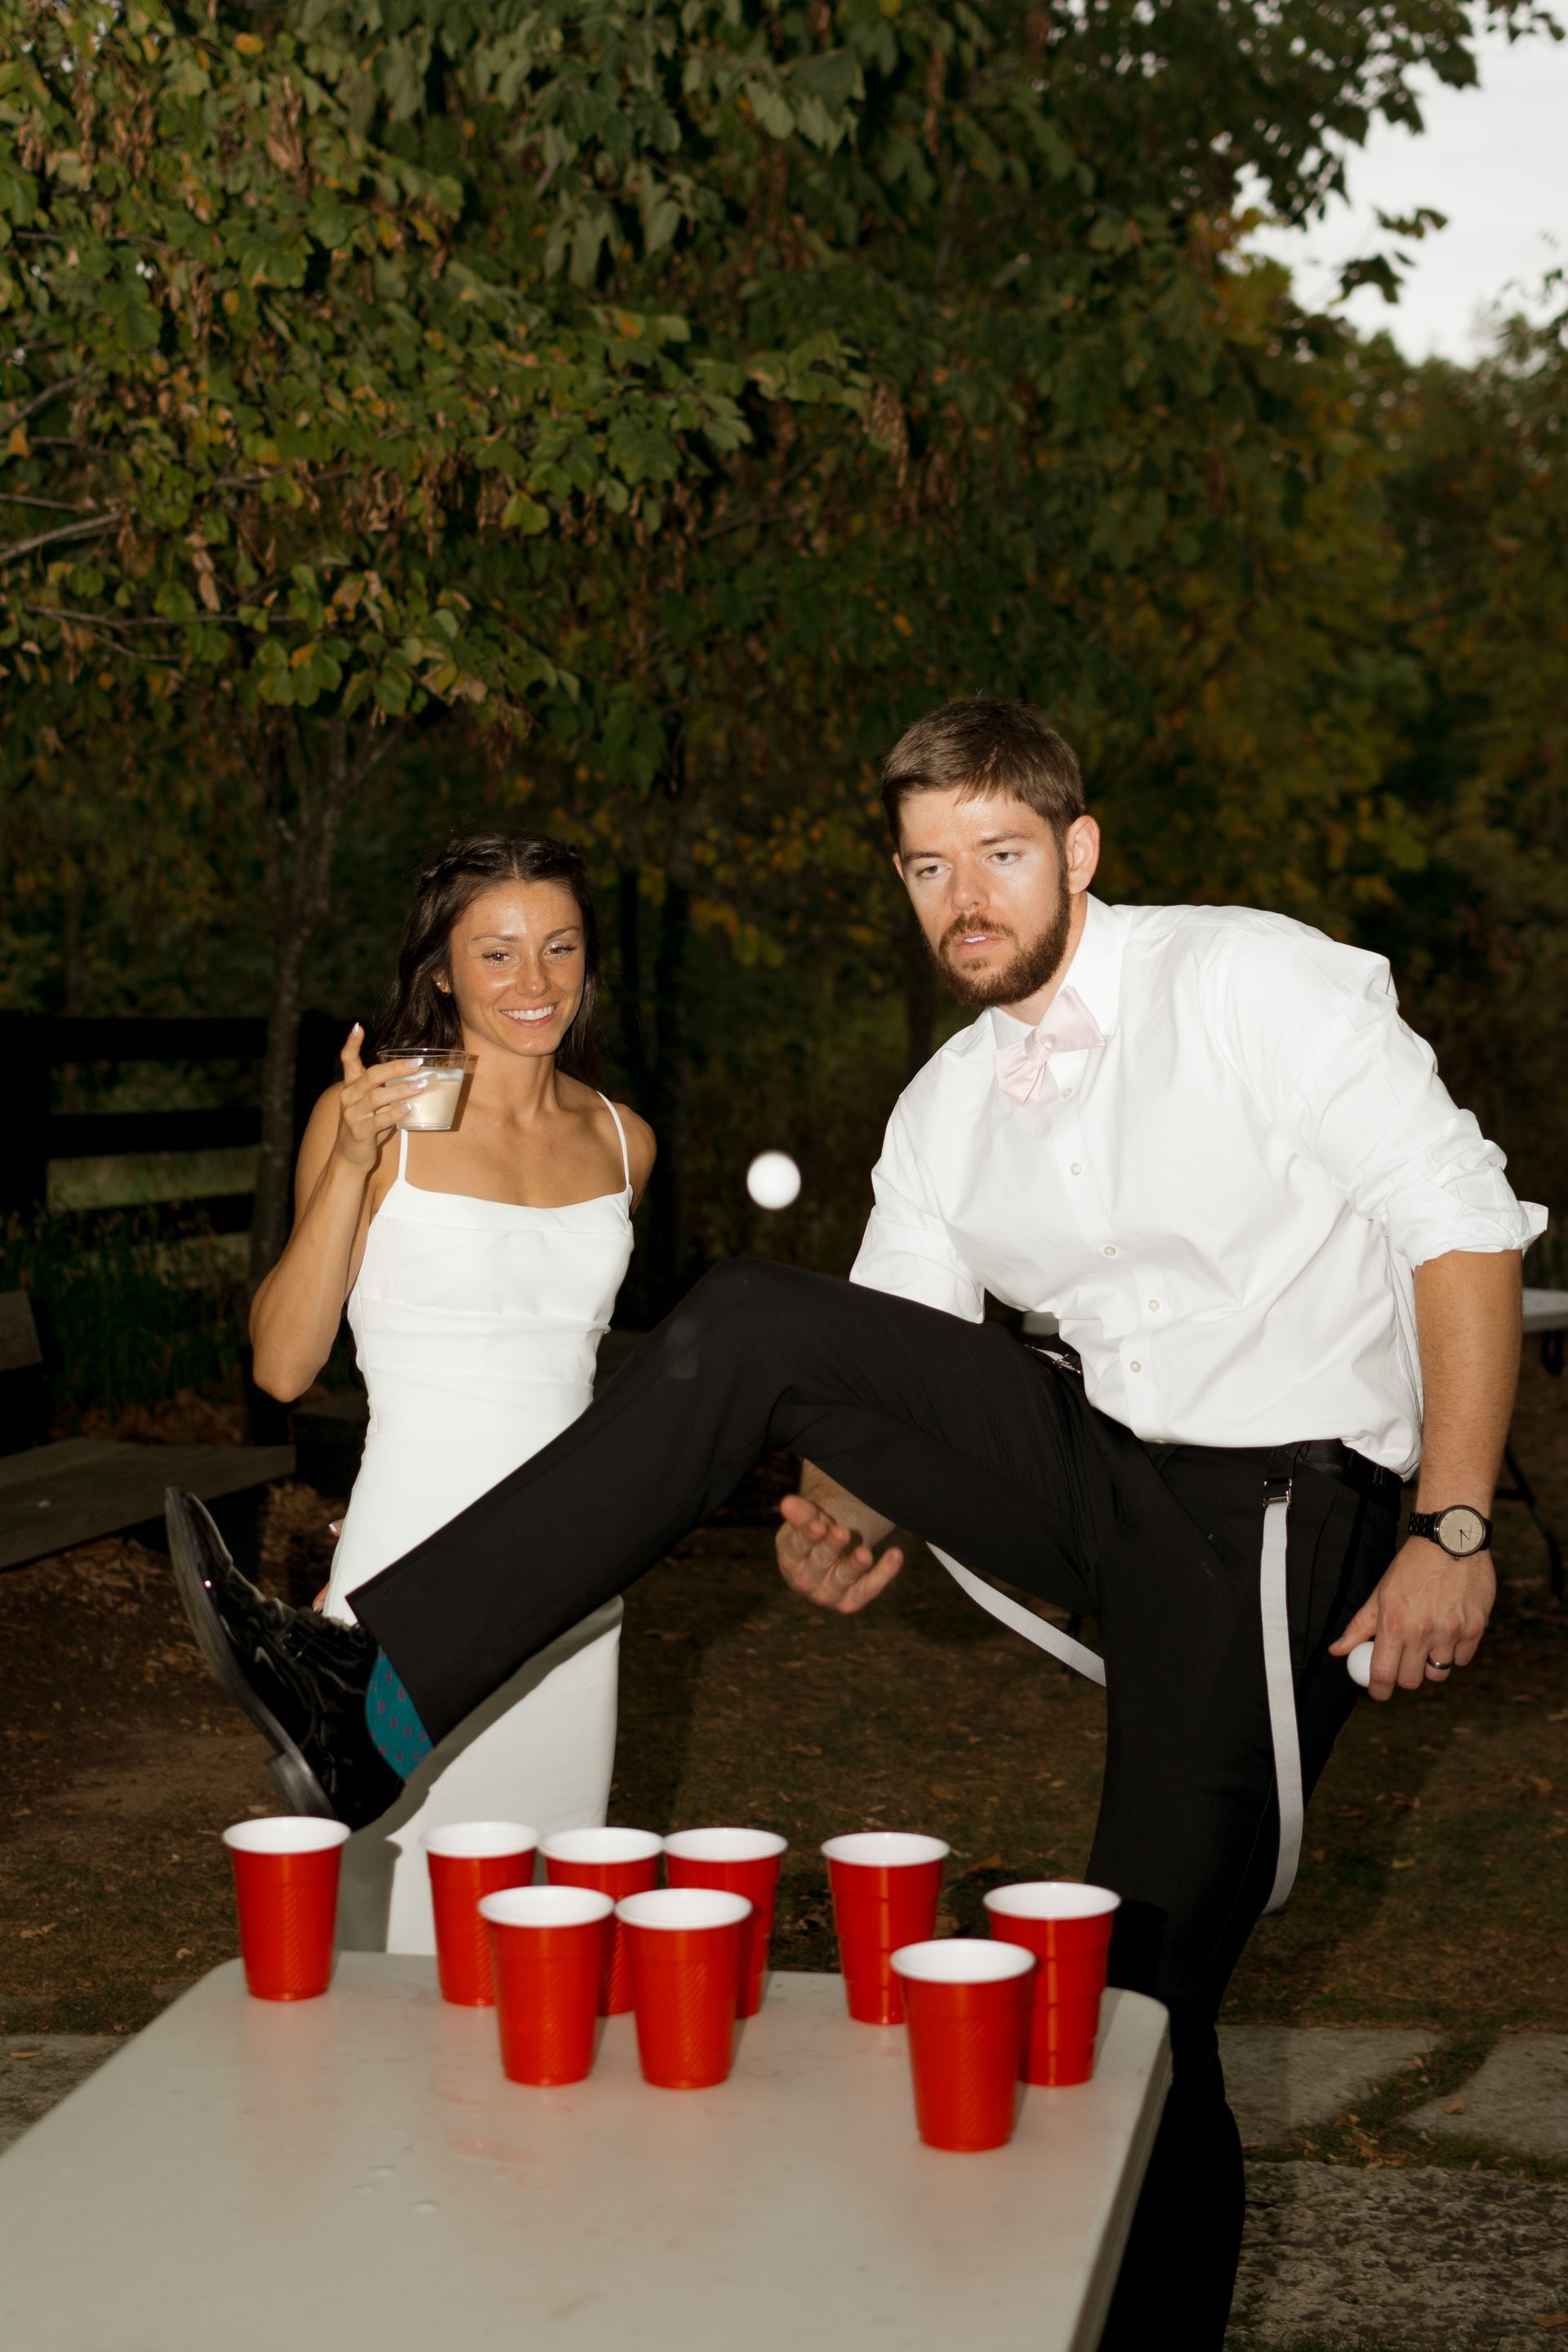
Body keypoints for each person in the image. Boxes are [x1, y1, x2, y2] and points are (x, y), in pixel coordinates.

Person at [175, 700, 1540, 2346]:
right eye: (928, 868)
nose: (966, 896)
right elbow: (883, 1368)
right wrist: (852, 1510)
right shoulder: (951, 1103)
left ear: (1077, 852)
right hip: (1105, 1466)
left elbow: (1458, 1221)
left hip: (1276, 1504)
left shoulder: (1248, 978)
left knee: (1130, 2004)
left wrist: (1453, 1525)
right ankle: (372, 1690)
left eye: (1001, 855)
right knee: (754, 1322)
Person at [236, 829, 653, 1952]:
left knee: (550, 1936)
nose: (536, 984)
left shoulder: (625, 1142)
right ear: (442, 971)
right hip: (409, 1575)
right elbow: (283, 1365)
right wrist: (352, 1166)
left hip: (572, 1590)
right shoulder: (377, 1122)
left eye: (559, 949)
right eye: (500, 954)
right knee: (395, 1942)